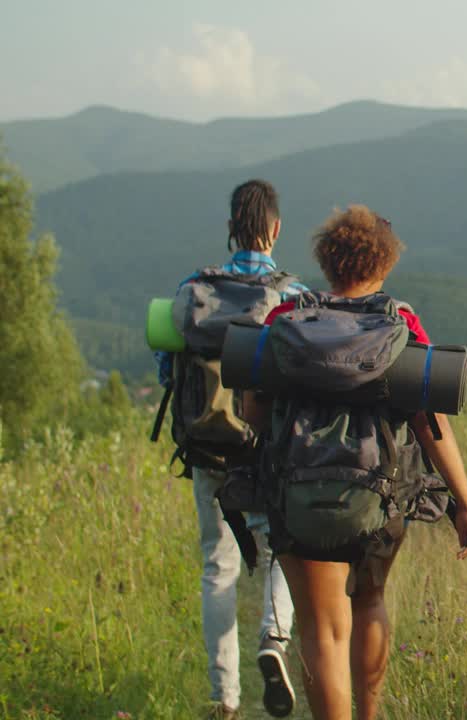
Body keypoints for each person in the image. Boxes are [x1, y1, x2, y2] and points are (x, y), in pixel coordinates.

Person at [244, 205, 467, 720]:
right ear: (384, 264)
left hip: (296, 494)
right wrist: (464, 503)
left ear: (328, 261)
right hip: (378, 497)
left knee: (320, 629)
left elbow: (252, 413)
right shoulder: (400, 324)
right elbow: (430, 425)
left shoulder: (285, 321)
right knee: (369, 602)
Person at [156, 179, 303, 720]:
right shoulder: (291, 296)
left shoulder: (192, 290)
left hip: (205, 449)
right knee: (277, 553)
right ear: (276, 229)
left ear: (229, 230)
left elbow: (167, 369)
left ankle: (225, 699)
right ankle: (273, 637)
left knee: (216, 569)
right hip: (264, 450)